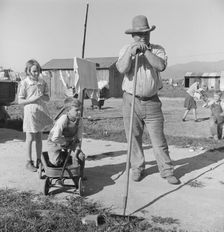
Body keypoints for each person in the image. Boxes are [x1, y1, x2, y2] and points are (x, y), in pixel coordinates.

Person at [116, 15, 180, 184]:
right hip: (130, 101)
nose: (143, 37)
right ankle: (137, 168)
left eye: (146, 33)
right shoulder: (125, 50)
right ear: (133, 36)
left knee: (158, 139)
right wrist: (131, 53)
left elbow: (160, 66)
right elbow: (122, 68)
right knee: (133, 138)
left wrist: (146, 51)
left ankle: (167, 171)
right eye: (139, 34)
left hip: (152, 101)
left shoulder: (157, 49)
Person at [18, 59, 53, 172]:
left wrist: (42, 96)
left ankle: (39, 161)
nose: (36, 73)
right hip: (30, 113)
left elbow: (47, 98)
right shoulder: (25, 82)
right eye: (33, 71)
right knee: (29, 138)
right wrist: (33, 99)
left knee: (39, 137)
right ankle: (29, 162)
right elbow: (20, 101)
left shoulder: (42, 82)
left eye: (37, 71)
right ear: (28, 71)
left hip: (40, 112)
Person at [47, 98, 85, 177]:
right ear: (68, 111)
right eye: (76, 110)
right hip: (55, 141)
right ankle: (63, 156)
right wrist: (65, 143)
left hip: (69, 141)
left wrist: (77, 149)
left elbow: (79, 138)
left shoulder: (79, 120)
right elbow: (55, 138)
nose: (79, 112)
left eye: (80, 109)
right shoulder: (63, 119)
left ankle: (80, 174)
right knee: (56, 163)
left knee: (81, 156)